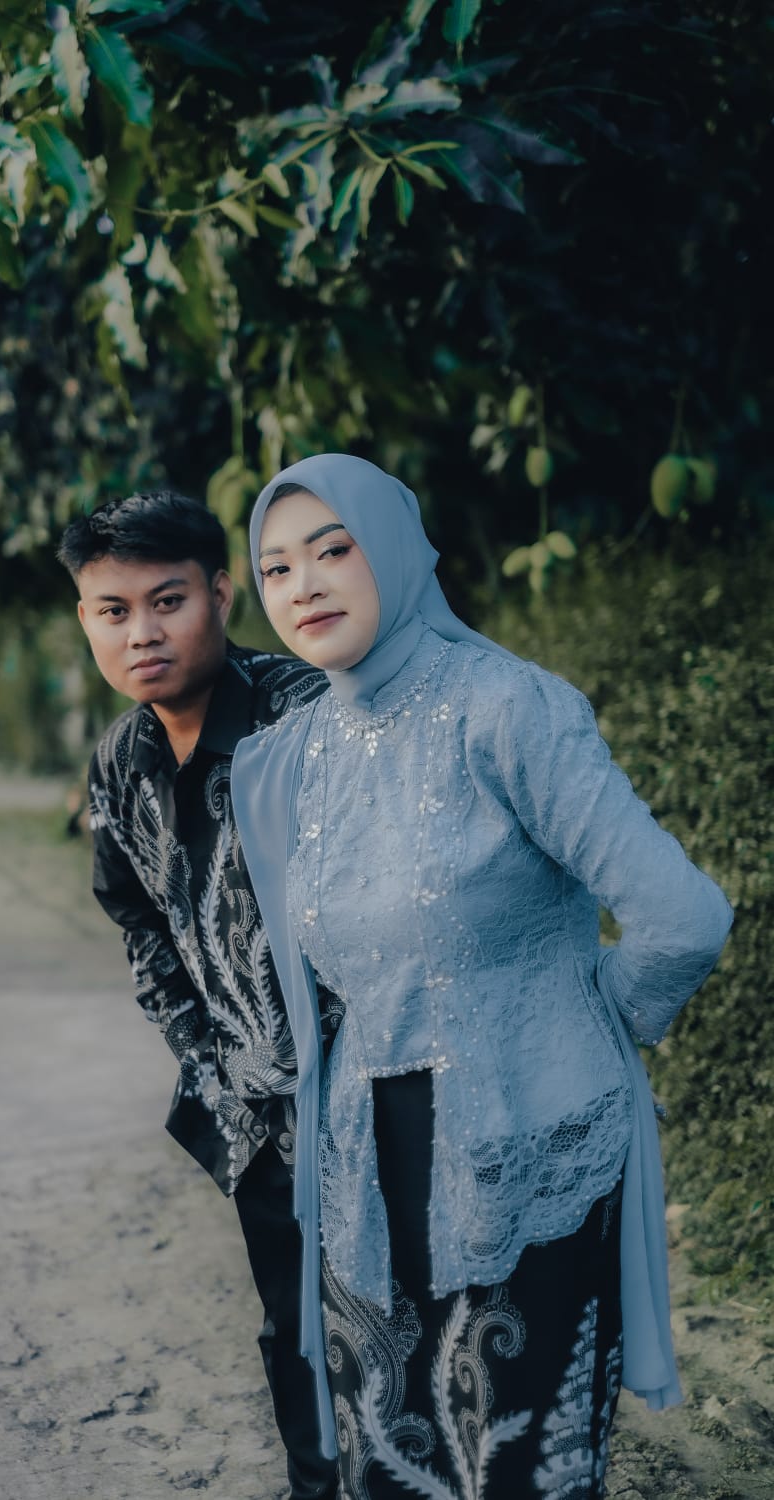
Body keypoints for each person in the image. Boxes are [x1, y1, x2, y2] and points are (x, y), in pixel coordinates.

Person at [230, 455, 734, 1500]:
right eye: (276, 569)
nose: (305, 585)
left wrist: (585, 1024)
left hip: (527, 1153)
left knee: (518, 1472)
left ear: (396, 550)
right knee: (393, 1465)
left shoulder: (505, 712)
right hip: (368, 1175)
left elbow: (681, 917)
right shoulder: (291, 758)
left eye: (333, 550)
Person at [57, 491, 337, 1500]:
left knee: (403, 1325)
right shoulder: (118, 763)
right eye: (113, 610)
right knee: (294, 1332)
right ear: (86, 620)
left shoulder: (309, 717)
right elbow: (135, 917)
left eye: (166, 601)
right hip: (251, 1115)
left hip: (372, 1097)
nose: (142, 632)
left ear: (220, 594)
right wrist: (208, 1058)